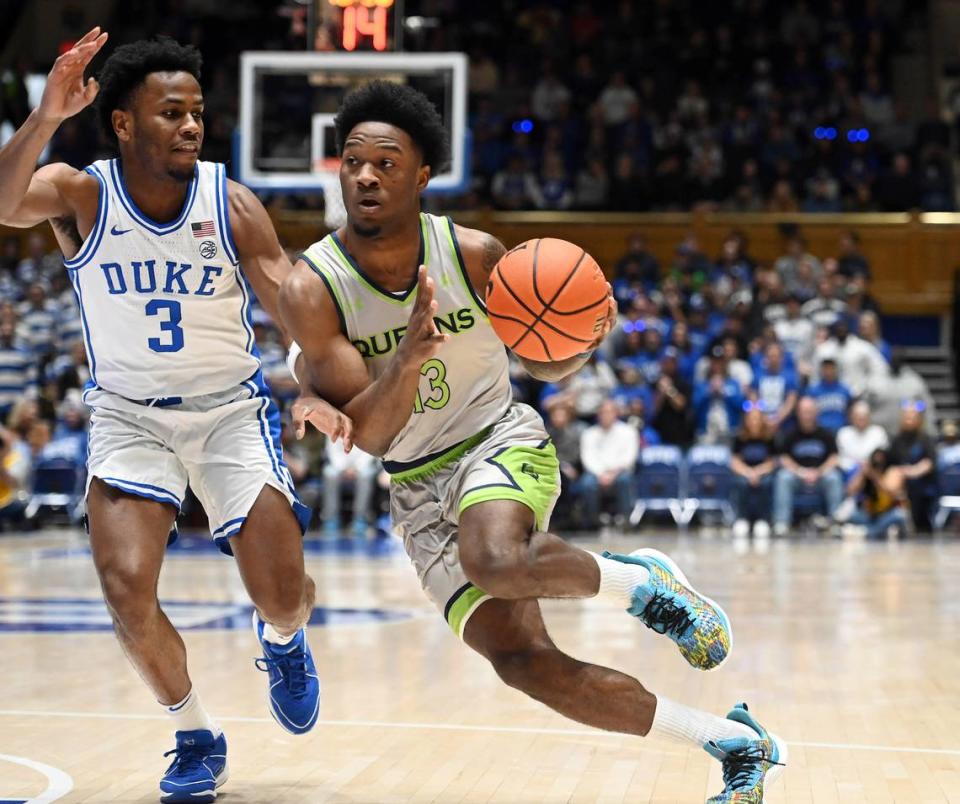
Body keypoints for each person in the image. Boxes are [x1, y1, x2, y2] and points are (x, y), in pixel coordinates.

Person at [279, 80, 786, 802]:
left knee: (495, 559)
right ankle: (734, 743)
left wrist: (587, 334)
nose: (364, 175)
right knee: (525, 666)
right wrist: (408, 358)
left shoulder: (475, 254)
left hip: (495, 439)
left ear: (422, 175)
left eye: (385, 163)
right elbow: (367, 433)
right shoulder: (315, 287)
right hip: (414, 480)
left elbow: (543, 355)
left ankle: (642, 588)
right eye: (353, 161)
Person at [0, 31, 352, 802]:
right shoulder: (81, 193)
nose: (192, 125)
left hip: (228, 413)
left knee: (284, 594)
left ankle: (283, 637)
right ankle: (195, 733)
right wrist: (44, 117)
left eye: (197, 112)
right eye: (171, 112)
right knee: (126, 589)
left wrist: (313, 386)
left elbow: (290, 308)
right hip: (128, 416)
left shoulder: (229, 203)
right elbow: (1, 203)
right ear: (124, 123)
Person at [772, 396, 844, 536]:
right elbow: (784, 458)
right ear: (798, 413)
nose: (807, 415)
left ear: (816, 413)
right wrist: (800, 471)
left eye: (810, 411)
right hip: (797, 476)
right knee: (783, 477)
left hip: (820, 476)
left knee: (834, 478)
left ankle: (835, 522)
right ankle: (782, 523)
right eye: (804, 411)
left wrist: (819, 472)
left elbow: (834, 458)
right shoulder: (790, 435)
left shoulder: (826, 434)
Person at [577, 398, 638, 527]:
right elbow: (587, 457)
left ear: (616, 413)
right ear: (598, 414)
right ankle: (593, 521)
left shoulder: (628, 431)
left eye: (609, 412)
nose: (606, 415)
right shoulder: (589, 433)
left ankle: (625, 520)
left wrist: (613, 474)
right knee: (587, 483)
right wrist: (601, 474)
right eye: (603, 412)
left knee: (625, 480)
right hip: (597, 473)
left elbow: (629, 457)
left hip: (620, 471)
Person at [730, 405, 777, 540]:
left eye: (757, 419)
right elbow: (734, 462)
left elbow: (772, 463)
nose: (754, 422)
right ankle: (741, 519)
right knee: (740, 482)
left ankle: (763, 520)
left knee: (767, 482)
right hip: (745, 473)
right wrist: (748, 472)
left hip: (763, 473)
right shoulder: (739, 438)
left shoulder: (769, 439)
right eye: (751, 419)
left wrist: (757, 472)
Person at [889, 401, 938, 531]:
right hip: (900, 482)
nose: (909, 419)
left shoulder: (925, 439)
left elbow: (930, 463)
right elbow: (891, 463)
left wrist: (911, 472)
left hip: (921, 481)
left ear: (919, 419)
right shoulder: (897, 439)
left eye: (913, 416)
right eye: (907, 416)